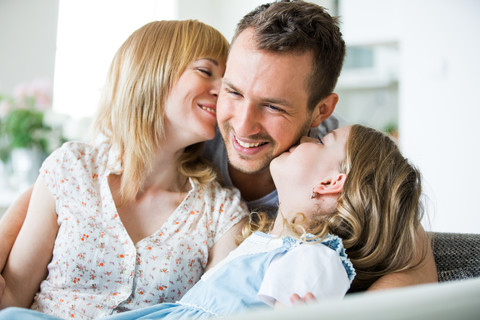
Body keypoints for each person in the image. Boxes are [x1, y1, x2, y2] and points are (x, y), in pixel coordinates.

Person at [0, 0, 437, 303]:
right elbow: (75, 186)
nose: (241, 125)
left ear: (320, 111)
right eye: (233, 90)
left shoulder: (343, 161)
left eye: (273, 106)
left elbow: (414, 267)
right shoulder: (196, 126)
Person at [0, 124, 430, 320]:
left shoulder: (317, 258)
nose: (305, 138)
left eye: (322, 140)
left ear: (331, 182)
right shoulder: (264, 240)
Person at [0, 20, 250, 319]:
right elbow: (13, 296)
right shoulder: (71, 168)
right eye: (206, 71)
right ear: (152, 71)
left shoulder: (221, 212)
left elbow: (212, 314)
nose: (223, 91)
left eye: (228, 82)